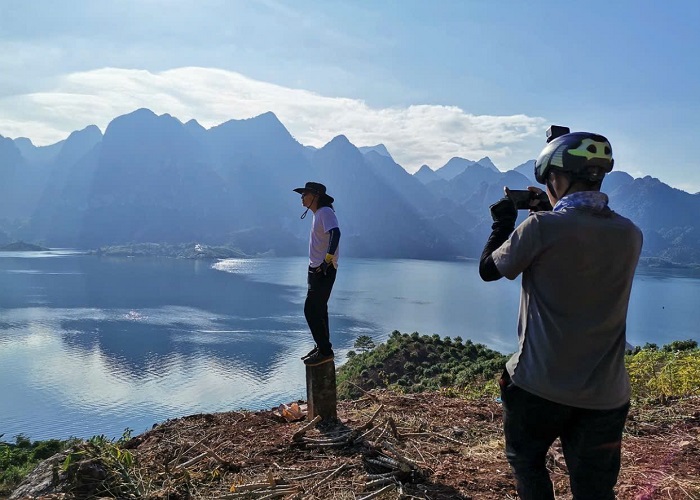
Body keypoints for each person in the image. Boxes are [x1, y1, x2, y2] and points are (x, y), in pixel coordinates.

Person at [478, 128, 643, 499]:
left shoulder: (540, 227)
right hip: (606, 395)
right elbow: (578, 246)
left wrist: (503, 222)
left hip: (538, 386)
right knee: (595, 490)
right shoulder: (631, 234)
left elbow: (489, 269)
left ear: (556, 177)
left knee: (528, 463)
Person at [293, 181, 341, 367]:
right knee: (319, 310)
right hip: (315, 269)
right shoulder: (318, 214)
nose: (302, 197)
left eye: (305, 194)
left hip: (323, 270)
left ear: (316, 196)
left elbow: (336, 234)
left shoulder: (325, 212)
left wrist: (327, 261)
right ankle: (322, 347)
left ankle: (326, 351)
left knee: (311, 310)